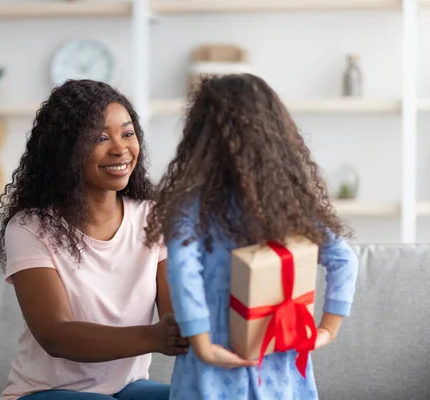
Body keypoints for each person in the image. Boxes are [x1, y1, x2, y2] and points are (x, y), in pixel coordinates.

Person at [144, 73, 359, 400]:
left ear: (201, 138)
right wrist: (328, 329)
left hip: (216, 353)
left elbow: (183, 271)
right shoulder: (293, 204)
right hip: (276, 342)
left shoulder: (192, 206)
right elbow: (343, 258)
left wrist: (203, 346)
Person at [0, 79, 188, 400]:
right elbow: (56, 335)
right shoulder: (30, 227)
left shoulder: (154, 217)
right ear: (65, 150)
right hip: (46, 392)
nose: (120, 148)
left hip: (127, 389)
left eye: (127, 133)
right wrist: (154, 337)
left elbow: (175, 317)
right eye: (100, 138)